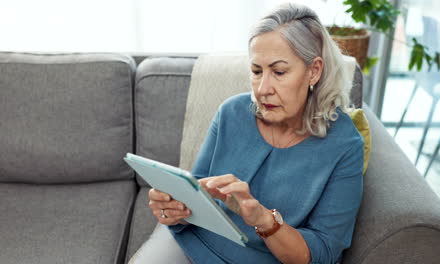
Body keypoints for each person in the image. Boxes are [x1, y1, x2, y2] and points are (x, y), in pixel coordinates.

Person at [130, 2, 363, 264]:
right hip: (193, 241)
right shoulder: (232, 112)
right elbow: (197, 190)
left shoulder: (345, 146)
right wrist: (174, 207)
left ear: (314, 71)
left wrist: (264, 220)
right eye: (256, 71)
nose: (263, 88)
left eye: (278, 72)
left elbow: (323, 253)